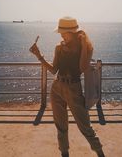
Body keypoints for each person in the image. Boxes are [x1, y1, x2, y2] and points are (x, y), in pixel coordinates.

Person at [29, 16, 105, 157]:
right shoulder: (59, 47)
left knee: (85, 126)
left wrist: (82, 44)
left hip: (73, 89)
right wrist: (39, 55)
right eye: (61, 32)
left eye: (64, 32)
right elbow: (53, 70)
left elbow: (82, 67)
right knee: (60, 126)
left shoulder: (87, 47)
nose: (61, 35)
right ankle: (64, 153)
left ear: (74, 32)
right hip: (57, 87)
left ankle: (100, 153)